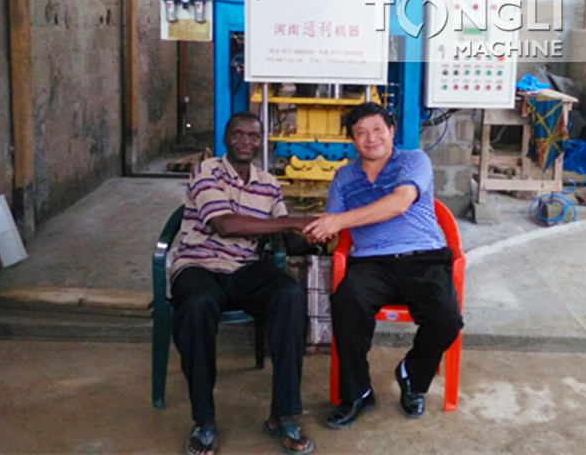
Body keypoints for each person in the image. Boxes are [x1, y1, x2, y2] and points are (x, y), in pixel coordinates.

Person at [303, 103, 463, 429]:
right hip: (371, 262)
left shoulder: (413, 160)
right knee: (346, 302)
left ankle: (412, 377)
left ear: (391, 131)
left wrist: (338, 221)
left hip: (423, 257)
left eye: (378, 129)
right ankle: (357, 393)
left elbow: (399, 202)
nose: (371, 138)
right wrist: (316, 231)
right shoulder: (344, 177)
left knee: (447, 318)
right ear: (352, 140)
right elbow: (332, 226)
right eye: (361, 133)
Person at [171, 112, 315, 455]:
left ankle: (283, 415)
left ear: (260, 141)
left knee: (290, 294)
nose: (245, 141)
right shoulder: (206, 171)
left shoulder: (269, 183)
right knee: (197, 305)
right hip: (199, 264)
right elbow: (225, 225)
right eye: (238, 134)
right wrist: (294, 222)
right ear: (226, 138)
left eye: (253, 136)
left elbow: (287, 235)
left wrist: (317, 232)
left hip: (244, 267)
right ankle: (204, 420)